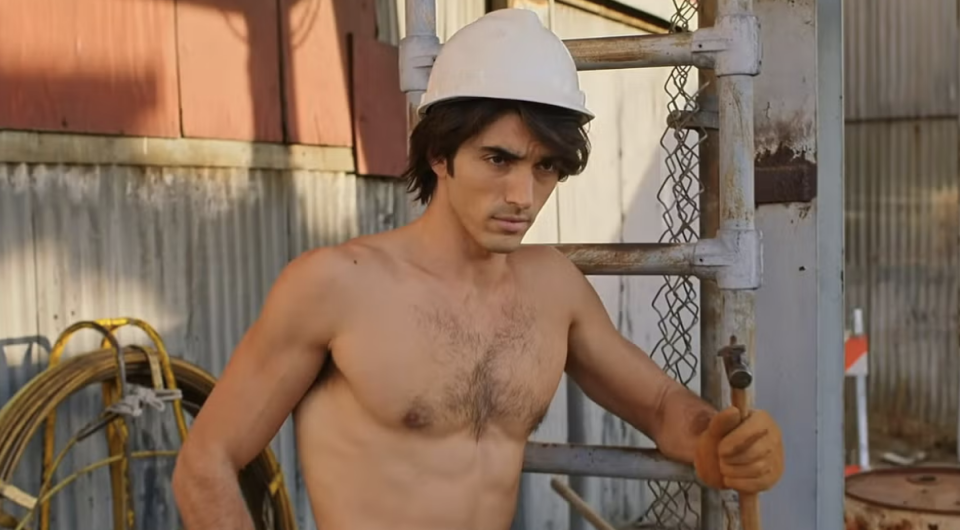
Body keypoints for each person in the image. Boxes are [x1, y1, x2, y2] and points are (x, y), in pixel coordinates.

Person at [172, 8, 784, 530]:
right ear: (440, 153)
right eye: (499, 158)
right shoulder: (337, 287)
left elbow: (659, 407)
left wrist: (722, 441)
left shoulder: (554, 289)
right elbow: (207, 462)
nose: (523, 193)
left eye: (545, 167)